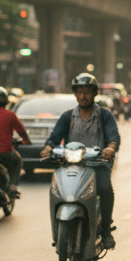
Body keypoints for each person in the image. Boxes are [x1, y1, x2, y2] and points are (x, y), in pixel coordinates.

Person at [40, 73, 121, 247]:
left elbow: (113, 137)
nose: (83, 96)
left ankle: (106, 229)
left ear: (94, 93)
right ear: (75, 94)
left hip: (97, 164)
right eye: (80, 92)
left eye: (87, 92)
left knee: (105, 188)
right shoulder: (68, 116)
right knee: (57, 190)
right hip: (71, 164)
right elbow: (55, 137)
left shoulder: (104, 115)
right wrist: (48, 147)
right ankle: (58, 228)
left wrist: (110, 148)